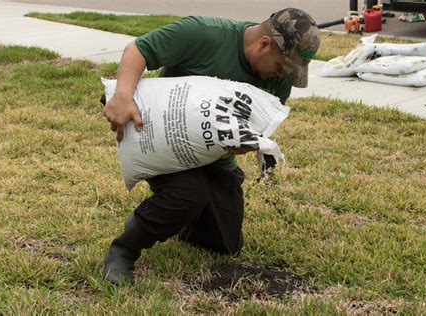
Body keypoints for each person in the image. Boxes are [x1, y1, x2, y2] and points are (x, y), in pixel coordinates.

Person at [103, 7, 320, 284]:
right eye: (281, 67)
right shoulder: (203, 34)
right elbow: (138, 49)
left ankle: (184, 216)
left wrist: (244, 145)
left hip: (212, 157)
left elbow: (255, 126)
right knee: (188, 193)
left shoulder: (279, 82)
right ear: (263, 44)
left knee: (223, 244)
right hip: (168, 141)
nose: (281, 76)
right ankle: (123, 250)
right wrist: (123, 95)